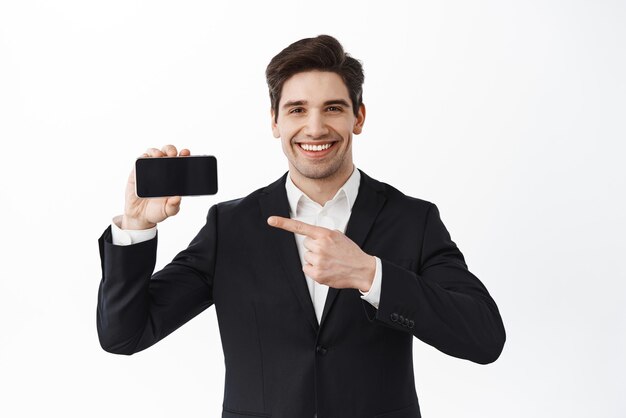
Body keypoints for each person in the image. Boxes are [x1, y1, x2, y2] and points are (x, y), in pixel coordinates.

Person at [97, 34, 506, 418]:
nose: (314, 128)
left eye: (333, 108)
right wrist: (135, 225)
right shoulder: (231, 225)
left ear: (358, 117)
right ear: (275, 121)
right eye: (296, 110)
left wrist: (371, 275)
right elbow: (125, 336)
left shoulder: (413, 219)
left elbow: (484, 338)